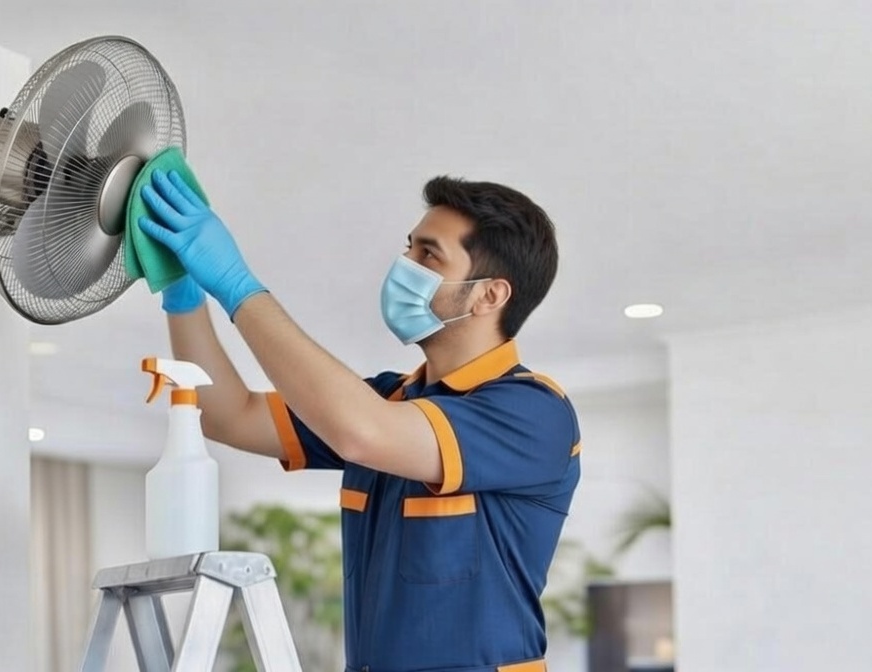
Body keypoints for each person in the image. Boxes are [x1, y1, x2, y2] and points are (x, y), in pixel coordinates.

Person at [137, 170, 581, 672]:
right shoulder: (389, 400)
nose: (404, 264)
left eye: (428, 255)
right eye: (409, 248)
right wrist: (183, 295)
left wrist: (238, 286)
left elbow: (360, 432)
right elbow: (228, 415)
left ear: (489, 296)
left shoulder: (532, 412)